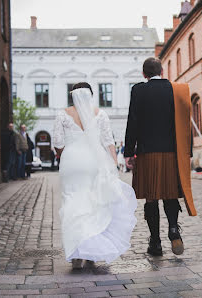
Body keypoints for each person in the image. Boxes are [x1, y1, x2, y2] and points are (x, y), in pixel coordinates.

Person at [52, 82, 137, 269]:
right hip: (93, 162)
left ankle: (75, 254)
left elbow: (57, 142)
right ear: (90, 95)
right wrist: (113, 164)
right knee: (93, 205)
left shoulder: (62, 114)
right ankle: (90, 253)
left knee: (72, 204)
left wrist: (64, 154)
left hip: (71, 162)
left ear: (72, 95)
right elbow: (108, 141)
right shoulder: (100, 114)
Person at [125, 57, 197, 257]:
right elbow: (186, 125)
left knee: (151, 198)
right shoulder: (177, 90)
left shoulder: (138, 90)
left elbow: (133, 121)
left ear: (144, 74)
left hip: (147, 153)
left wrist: (128, 152)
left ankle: (155, 242)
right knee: (170, 194)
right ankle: (174, 230)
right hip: (172, 153)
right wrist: (188, 152)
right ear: (162, 72)